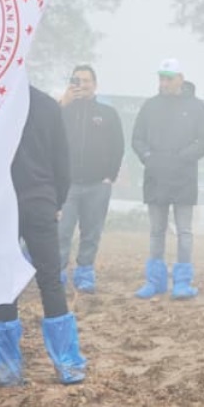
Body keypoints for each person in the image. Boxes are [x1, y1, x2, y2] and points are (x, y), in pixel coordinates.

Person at [0, 84, 88, 386]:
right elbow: (61, 162)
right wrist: (56, 201)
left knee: (4, 281)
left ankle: (6, 367)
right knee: (50, 279)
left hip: (1, 205)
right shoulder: (48, 105)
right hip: (40, 202)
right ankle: (66, 364)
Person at [130, 59, 204, 301]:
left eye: (168, 78)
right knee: (156, 231)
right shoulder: (150, 105)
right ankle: (154, 281)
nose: (164, 82)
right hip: (155, 176)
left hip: (184, 177)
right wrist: (149, 157)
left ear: (180, 79)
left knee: (184, 231)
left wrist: (183, 157)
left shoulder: (196, 106)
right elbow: (137, 138)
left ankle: (183, 282)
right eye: (161, 78)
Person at [57, 64, 124, 295]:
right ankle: (58, 274)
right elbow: (46, 133)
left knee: (91, 232)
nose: (82, 85)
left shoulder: (107, 113)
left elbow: (118, 146)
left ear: (94, 84)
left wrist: (110, 175)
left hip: (98, 184)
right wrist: (63, 104)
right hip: (67, 185)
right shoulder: (62, 110)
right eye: (77, 80)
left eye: (86, 80)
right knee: (62, 231)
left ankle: (85, 273)